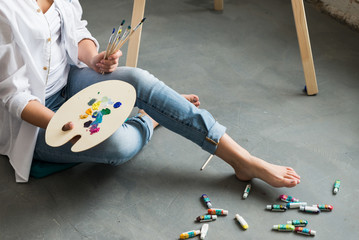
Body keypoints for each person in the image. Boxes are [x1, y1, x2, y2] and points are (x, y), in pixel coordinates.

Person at [0, 0, 301, 186]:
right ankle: (149, 119)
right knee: (116, 145)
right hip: (36, 119)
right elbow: (13, 96)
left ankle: (242, 159)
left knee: (136, 78)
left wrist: (93, 58)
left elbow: (76, 32)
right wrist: (59, 123)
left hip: (72, 79)